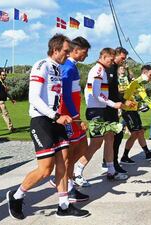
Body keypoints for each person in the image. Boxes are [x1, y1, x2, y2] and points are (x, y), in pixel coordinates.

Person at [6, 34, 89, 220]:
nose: (68, 55)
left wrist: (66, 116)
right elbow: (34, 98)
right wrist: (56, 116)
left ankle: (64, 205)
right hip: (42, 121)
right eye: (66, 52)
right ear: (55, 50)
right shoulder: (41, 66)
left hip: (57, 120)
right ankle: (17, 195)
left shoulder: (58, 68)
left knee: (65, 161)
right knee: (45, 169)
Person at [74, 47, 127, 181]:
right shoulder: (98, 70)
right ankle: (77, 171)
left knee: (110, 138)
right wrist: (113, 104)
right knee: (96, 143)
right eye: (110, 59)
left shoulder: (102, 69)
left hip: (101, 109)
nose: (112, 62)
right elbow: (96, 93)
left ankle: (111, 170)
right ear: (104, 56)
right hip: (95, 110)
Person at [49, 37, 93, 199]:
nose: (86, 55)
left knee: (82, 147)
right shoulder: (67, 67)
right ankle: (67, 185)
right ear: (75, 51)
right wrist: (76, 117)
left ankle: (65, 179)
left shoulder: (71, 66)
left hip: (74, 115)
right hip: (69, 117)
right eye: (85, 52)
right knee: (70, 153)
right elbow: (66, 95)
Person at [120, 65, 151, 164]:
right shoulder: (135, 83)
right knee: (135, 134)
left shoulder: (140, 85)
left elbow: (148, 101)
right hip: (127, 111)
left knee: (140, 132)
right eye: (150, 75)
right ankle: (124, 157)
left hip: (133, 111)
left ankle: (147, 153)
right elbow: (125, 96)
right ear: (144, 73)